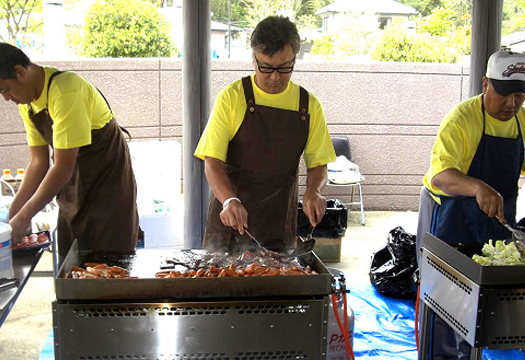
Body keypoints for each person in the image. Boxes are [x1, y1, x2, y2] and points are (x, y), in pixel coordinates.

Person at [416, 50, 525, 359]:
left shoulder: (522, 121)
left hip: (496, 216)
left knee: (484, 297)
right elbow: (440, 176)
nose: (511, 104)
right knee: (443, 294)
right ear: (485, 84)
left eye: (519, 96)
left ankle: (474, 351)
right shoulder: (461, 119)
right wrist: (478, 187)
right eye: (504, 94)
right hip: (447, 214)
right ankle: (440, 354)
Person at [194, 16, 336, 252]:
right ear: (253, 59)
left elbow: (318, 164)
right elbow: (213, 162)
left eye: (284, 68)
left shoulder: (308, 106)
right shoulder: (231, 97)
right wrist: (229, 200)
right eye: (266, 67)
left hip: (279, 224)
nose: (274, 77)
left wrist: (313, 191)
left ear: (295, 59)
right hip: (231, 223)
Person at [0, 43, 140, 258]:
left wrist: (25, 216)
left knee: (109, 262)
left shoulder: (66, 90)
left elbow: (63, 167)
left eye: (6, 89)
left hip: (107, 186)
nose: (6, 98)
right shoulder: (27, 104)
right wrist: (12, 219)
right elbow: (38, 163)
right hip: (74, 186)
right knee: (73, 261)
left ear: (20, 72)